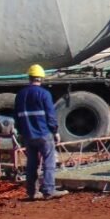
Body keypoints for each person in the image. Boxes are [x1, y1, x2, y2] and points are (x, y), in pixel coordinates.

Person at [14, 64, 68, 200]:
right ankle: (49, 190)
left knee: (32, 163)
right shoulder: (44, 94)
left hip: (28, 135)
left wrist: (21, 132)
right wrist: (55, 131)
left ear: (29, 77)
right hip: (44, 134)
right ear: (41, 78)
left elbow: (17, 116)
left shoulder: (20, 95)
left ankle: (32, 192)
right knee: (48, 162)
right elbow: (50, 115)